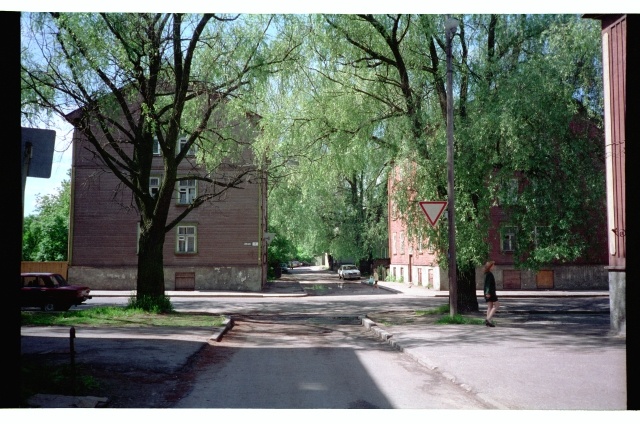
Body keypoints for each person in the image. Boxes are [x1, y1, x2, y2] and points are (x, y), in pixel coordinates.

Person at [483, 261, 499, 327]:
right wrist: (488, 292)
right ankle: (488, 319)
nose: (494, 267)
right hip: (490, 293)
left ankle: (488, 322)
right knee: (497, 305)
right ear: (490, 266)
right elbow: (488, 285)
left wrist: (486, 292)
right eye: (493, 265)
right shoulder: (489, 274)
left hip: (488, 292)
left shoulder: (486, 273)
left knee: (490, 306)